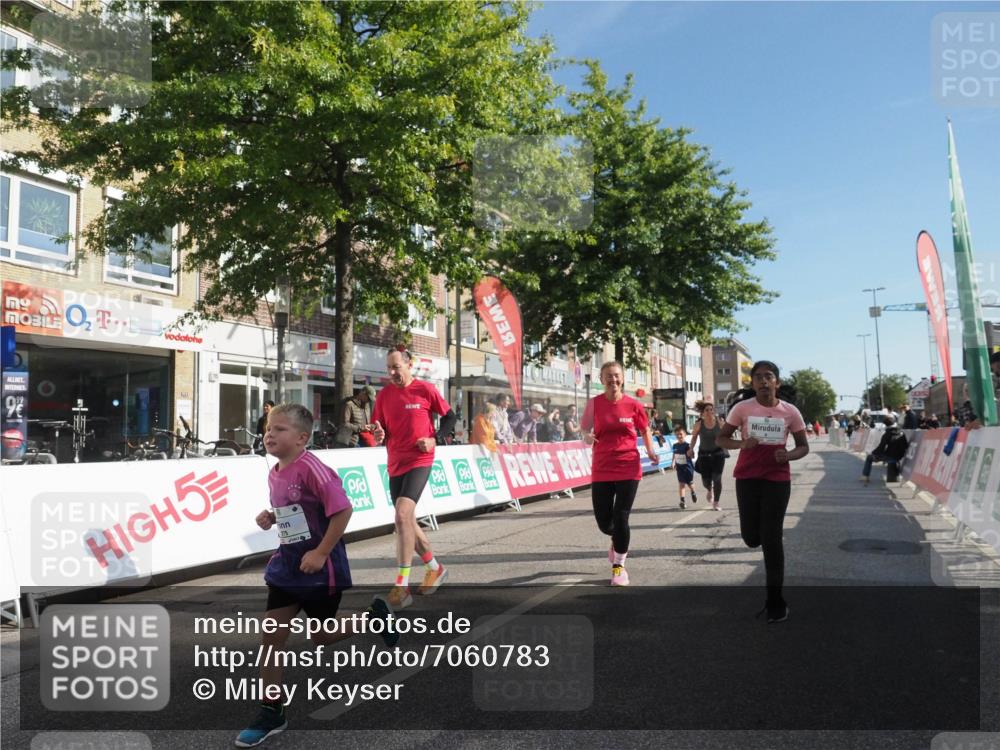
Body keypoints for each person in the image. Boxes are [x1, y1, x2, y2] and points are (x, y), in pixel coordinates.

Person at [236, 403, 396, 747]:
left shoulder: (313, 468)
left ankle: (372, 619)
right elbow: (294, 511)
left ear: (301, 438)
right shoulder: (275, 470)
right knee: (272, 638)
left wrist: (321, 552)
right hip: (287, 566)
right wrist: (271, 516)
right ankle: (271, 711)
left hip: (321, 569)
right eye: (268, 428)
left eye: (279, 429)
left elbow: (343, 510)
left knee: (321, 637)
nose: (269, 434)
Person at [718, 361, 809, 624]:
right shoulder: (742, 408)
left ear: (777, 382)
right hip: (747, 478)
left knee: (772, 538)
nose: (763, 381)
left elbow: (803, 446)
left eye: (768, 377)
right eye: (757, 377)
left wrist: (788, 455)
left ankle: (775, 601)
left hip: (777, 479)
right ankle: (755, 538)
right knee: (751, 537)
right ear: (752, 383)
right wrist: (742, 443)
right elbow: (722, 439)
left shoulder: (790, 412)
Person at [372, 349, 455, 609]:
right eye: (388, 368)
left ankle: (401, 586)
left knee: (402, 514)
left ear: (409, 364)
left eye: (396, 367)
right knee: (406, 520)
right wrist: (378, 433)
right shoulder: (384, 395)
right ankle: (435, 568)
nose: (392, 373)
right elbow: (379, 428)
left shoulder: (425, 390)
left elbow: (451, 418)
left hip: (420, 459)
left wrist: (435, 439)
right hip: (395, 463)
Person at [581, 361, 659, 586]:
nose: (612, 380)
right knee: (604, 523)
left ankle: (619, 567)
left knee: (621, 516)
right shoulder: (594, 404)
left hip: (628, 466)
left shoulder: (634, 405)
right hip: (602, 467)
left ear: (622, 379)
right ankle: (617, 540)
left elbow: (644, 429)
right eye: (608, 376)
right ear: (601, 380)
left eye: (616, 376)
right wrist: (586, 436)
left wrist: (651, 450)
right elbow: (584, 428)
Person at [689, 400, 725, 511]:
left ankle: (716, 502)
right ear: (703, 413)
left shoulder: (719, 422)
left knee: (717, 478)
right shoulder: (699, 424)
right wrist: (691, 449)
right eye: (707, 410)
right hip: (704, 455)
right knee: (706, 481)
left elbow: (727, 434)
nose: (709, 411)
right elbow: (694, 437)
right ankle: (710, 489)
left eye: (711, 409)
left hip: (718, 454)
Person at [860, 415, 907, 485]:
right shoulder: (902, 433)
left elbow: (881, 447)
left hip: (889, 457)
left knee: (869, 457)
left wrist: (873, 453)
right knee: (890, 456)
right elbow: (905, 445)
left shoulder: (887, 434)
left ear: (885, 425)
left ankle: (865, 476)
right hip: (899, 457)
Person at [672, 425, 697, 509]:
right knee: (681, 484)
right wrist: (673, 462)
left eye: (680, 434)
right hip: (679, 468)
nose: (679, 436)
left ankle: (693, 492)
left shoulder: (687, 445)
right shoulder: (675, 446)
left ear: (685, 434)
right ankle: (682, 501)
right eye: (677, 435)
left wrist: (691, 453)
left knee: (690, 483)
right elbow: (674, 454)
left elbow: (692, 455)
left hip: (688, 468)